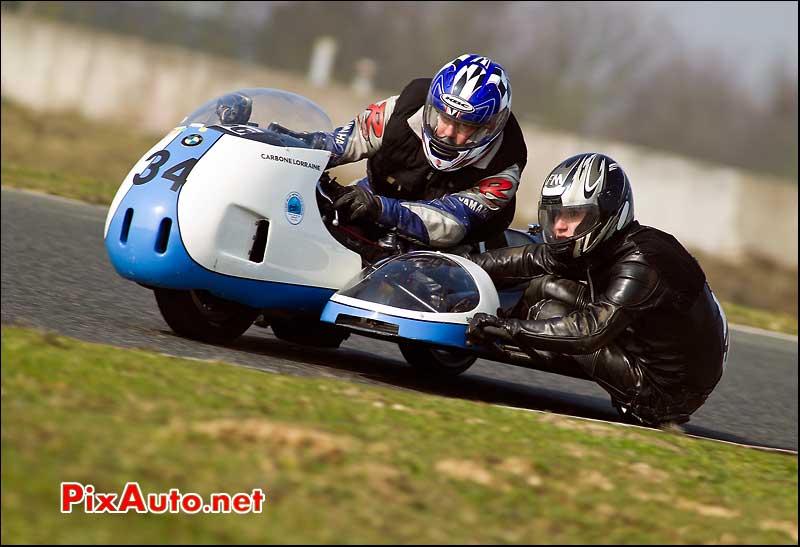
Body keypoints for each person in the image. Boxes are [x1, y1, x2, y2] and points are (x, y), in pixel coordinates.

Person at [465, 152, 729, 427]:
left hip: (663, 392)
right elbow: (532, 258)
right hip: (642, 341)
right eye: (555, 215)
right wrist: (460, 263)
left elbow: (589, 332)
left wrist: (509, 327)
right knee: (545, 285)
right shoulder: (611, 242)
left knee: (547, 311)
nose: (560, 226)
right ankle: (502, 324)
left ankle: (497, 333)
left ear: (607, 212)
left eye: (573, 214)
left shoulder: (642, 263)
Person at [311, 53, 527, 250]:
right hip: (375, 196)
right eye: (443, 117)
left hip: (457, 247)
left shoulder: (504, 167)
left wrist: (380, 208)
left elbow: (450, 223)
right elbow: (337, 144)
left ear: (489, 128)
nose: (447, 132)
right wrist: (287, 144)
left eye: (465, 125)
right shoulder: (400, 110)